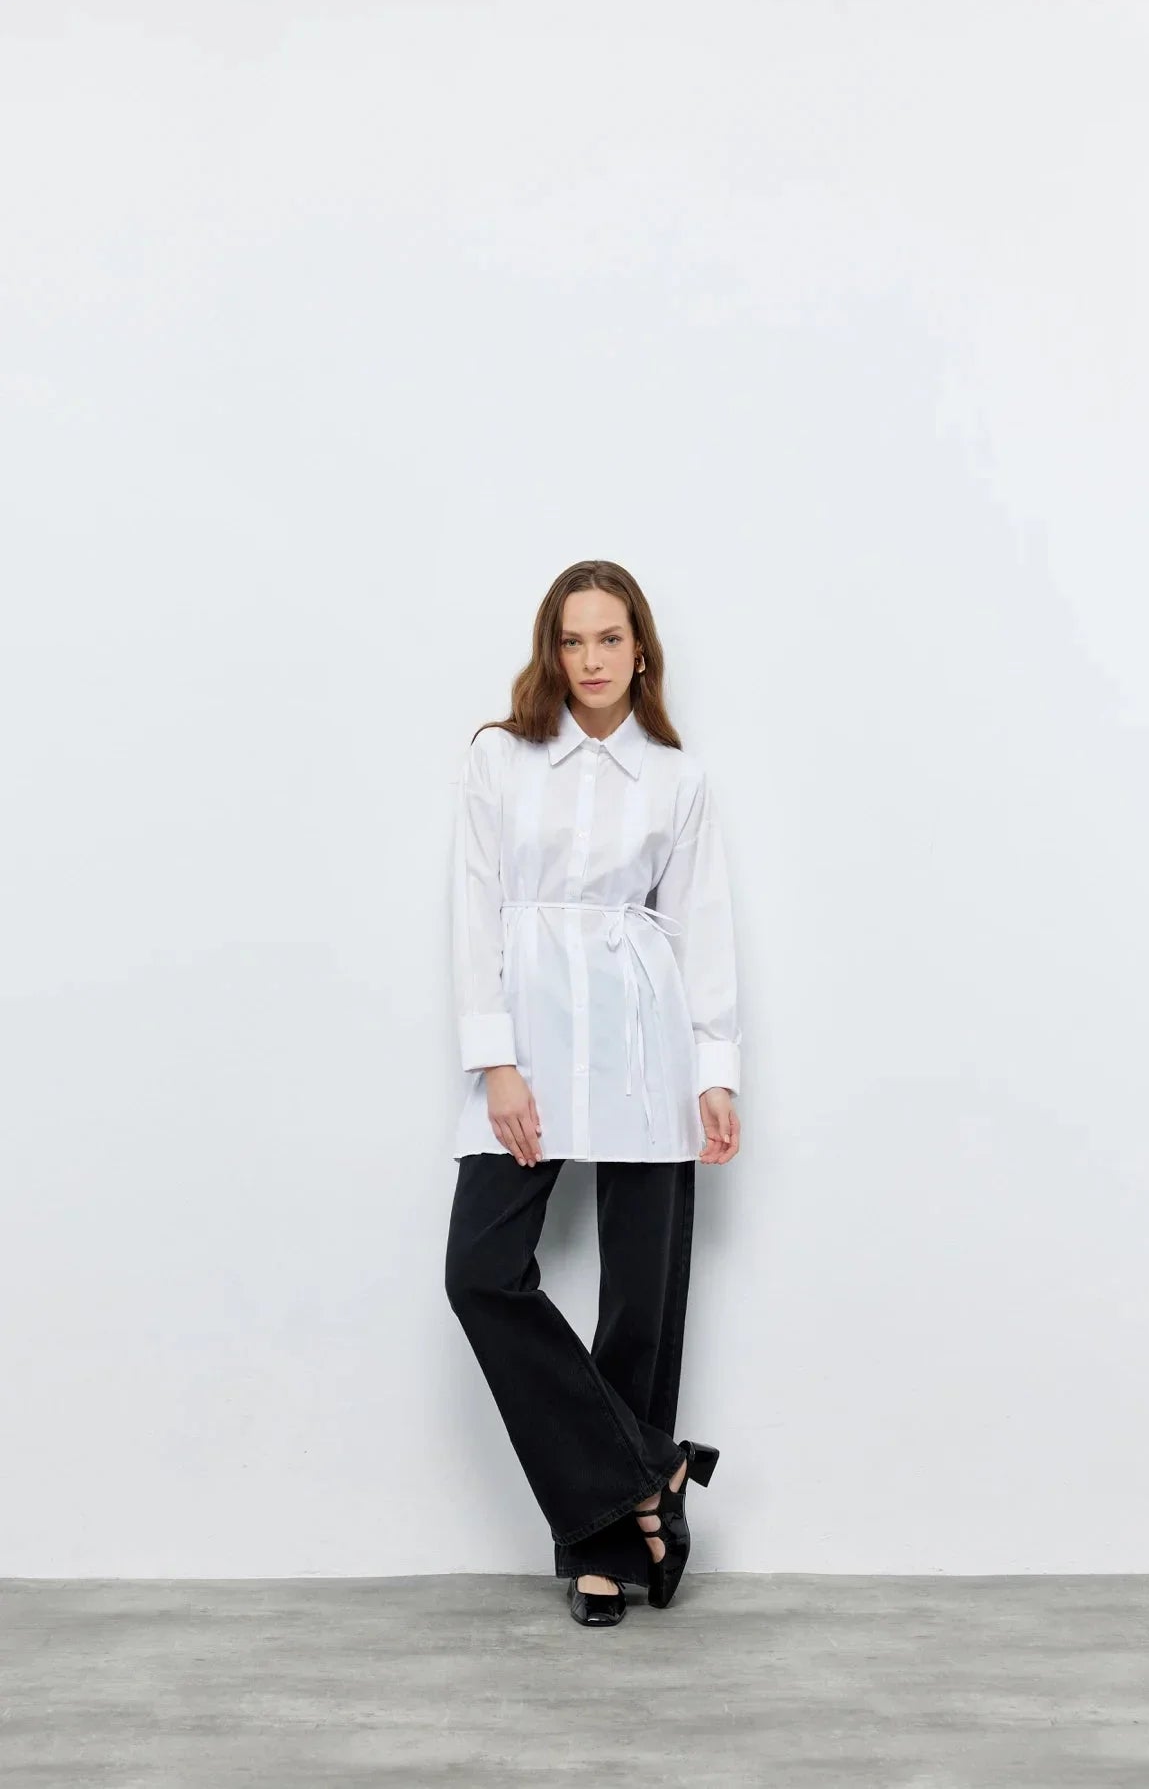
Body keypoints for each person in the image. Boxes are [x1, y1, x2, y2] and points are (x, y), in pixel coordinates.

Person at [443, 559, 742, 1628]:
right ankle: (650, 1467)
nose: (592, 658)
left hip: (645, 1039)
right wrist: (497, 1060)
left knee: (639, 1300)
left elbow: (701, 923)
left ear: (640, 649)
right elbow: (474, 908)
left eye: (610, 638)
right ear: (552, 651)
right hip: (530, 1038)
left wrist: (715, 1069)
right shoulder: (500, 757)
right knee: (481, 1271)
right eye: (573, 640)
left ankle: (606, 1548)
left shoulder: (676, 778)